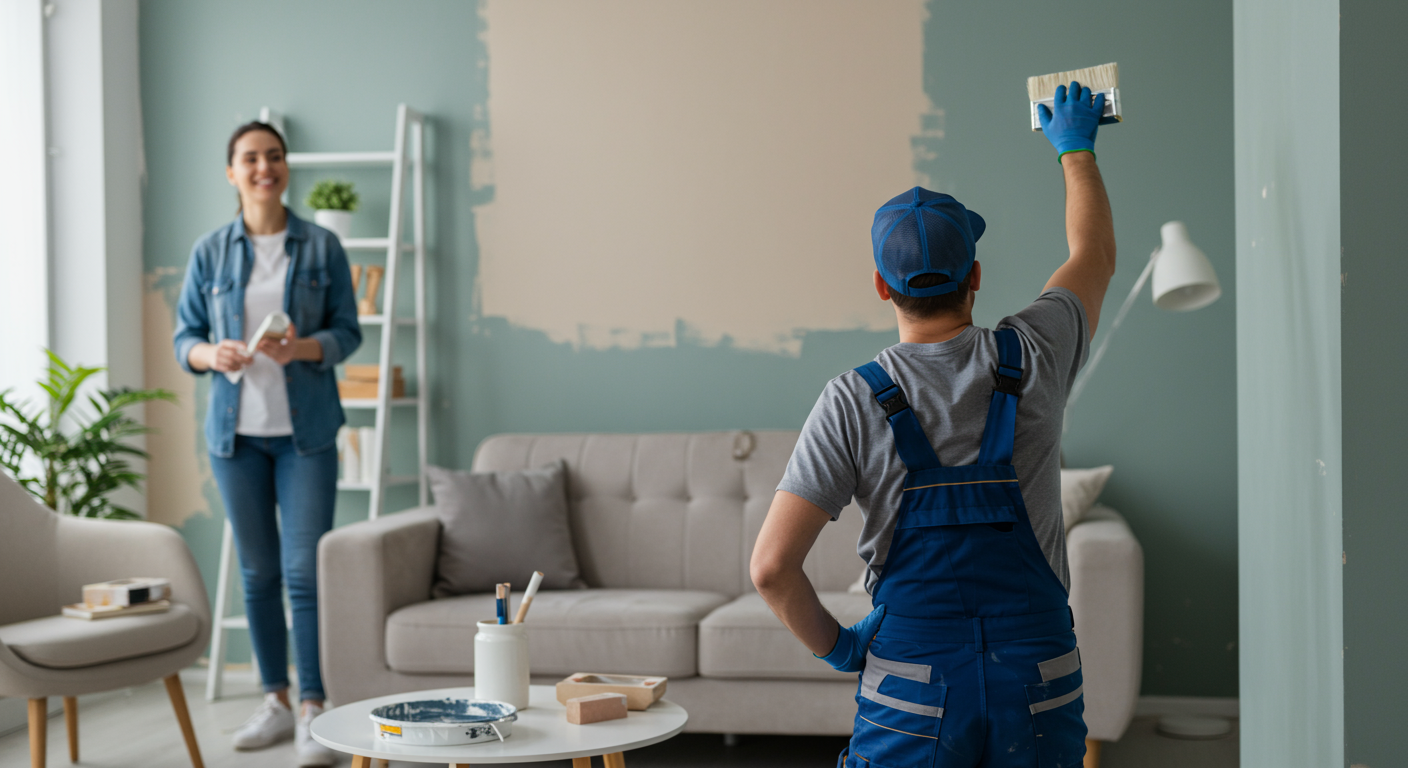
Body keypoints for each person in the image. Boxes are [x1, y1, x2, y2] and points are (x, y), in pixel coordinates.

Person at [750, 82, 1115, 767]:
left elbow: (771, 569)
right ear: (975, 275)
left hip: (910, 695)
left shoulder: (851, 400)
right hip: (1037, 685)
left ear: (881, 287)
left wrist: (843, 649)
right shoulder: (1038, 351)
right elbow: (1092, 254)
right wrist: (1075, 149)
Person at [173, 121, 361, 766]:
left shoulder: (322, 246)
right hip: (236, 437)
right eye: (250, 158)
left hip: (305, 437)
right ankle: (275, 699)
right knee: (258, 575)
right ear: (232, 172)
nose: (264, 167)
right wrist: (211, 353)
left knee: (304, 572)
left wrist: (300, 347)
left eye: (274, 156)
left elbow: (348, 332)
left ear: (286, 167)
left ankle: (313, 706)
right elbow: (184, 339)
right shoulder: (210, 251)